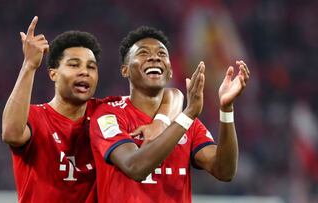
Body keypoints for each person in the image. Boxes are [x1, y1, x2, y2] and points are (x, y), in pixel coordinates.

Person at [1, 17, 183, 203]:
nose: (84, 72)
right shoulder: (36, 116)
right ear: (53, 73)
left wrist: (162, 121)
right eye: (74, 65)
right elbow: (11, 134)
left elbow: (173, 95)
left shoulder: (105, 112)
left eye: (91, 67)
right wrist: (29, 65)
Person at [89, 26, 250, 202]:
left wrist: (226, 110)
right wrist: (187, 115)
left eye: (162, 54)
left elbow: (225, 171)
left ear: (170, 71)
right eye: (143, 53)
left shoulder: (186, 122)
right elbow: (134, 166)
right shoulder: (108, 115)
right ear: (125, 70)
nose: (154, 57)